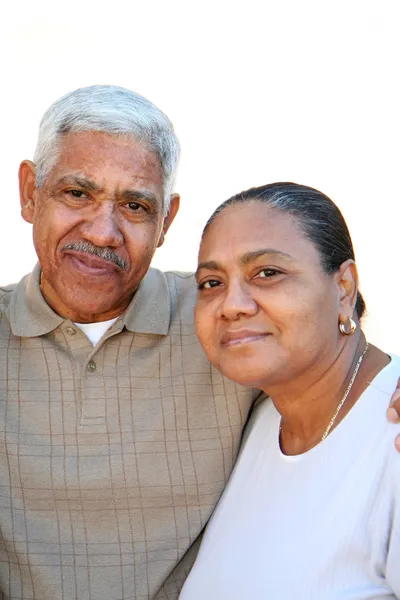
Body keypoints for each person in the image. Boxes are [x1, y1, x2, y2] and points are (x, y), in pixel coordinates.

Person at [0, 88, 399, 600]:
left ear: (166, 220)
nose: (103, 232)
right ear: (31, 192)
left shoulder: (222, 332)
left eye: (135, 205)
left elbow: (329, 354)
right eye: (77, 193)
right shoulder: (230, 325)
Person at [180, 182, 400, 599]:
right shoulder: (260, 420)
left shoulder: (392, 439)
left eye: (267, 273)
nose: (232, 305)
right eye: (212, 282)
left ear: (344, 288)